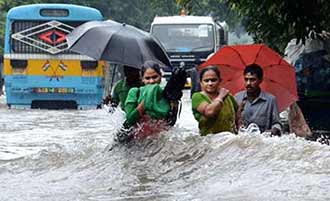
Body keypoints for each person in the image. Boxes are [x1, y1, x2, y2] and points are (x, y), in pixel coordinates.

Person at [117, 61, 184, 143]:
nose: (151, 81)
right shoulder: (135, 92)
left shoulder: (165, 95)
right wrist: (145, 102)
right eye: (147, 78)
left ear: (160, 76)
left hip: (156, 142)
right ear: (142, 79)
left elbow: (170, 124)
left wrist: (174, 104)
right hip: (132, 142)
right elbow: (130, 119)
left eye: (155, 77)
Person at [235, 64, 282, 136]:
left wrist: (274, 129)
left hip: (263, 140)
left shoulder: (270, 100)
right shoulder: (237, 98)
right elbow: (232, 122)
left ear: (260, 80)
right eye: (246, 79)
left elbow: (277, 123)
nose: (248, 83)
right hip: (243, 140)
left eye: (252, 80)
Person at [192, 66, 238, 136]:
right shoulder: (197, 97)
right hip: (209, 141)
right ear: (201, 83)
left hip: (230, 140)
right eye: (206, 81)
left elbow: (238, 116)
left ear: (220, 81)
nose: (210, 84)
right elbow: (210, 112)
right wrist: (221, 97)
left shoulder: (228, 96)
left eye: (213, 80)